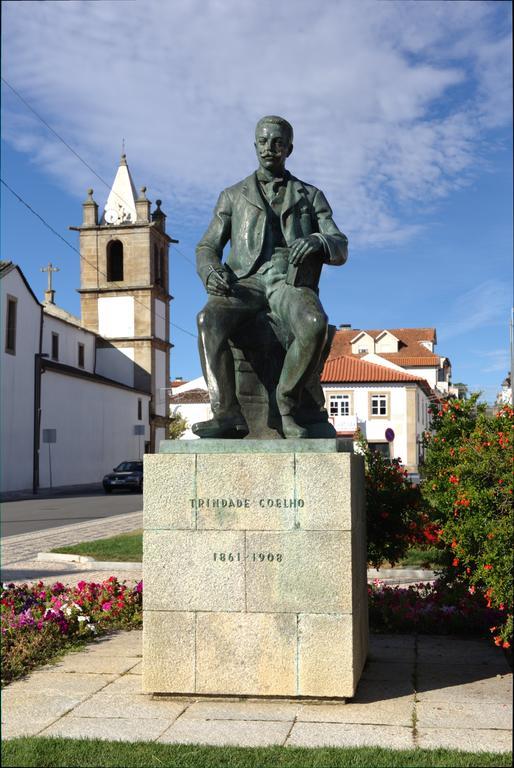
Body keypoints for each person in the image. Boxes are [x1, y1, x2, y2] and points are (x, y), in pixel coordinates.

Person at [193, 115, 348, 439]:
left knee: (314, 324)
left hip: (288, 281)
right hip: (244, 283)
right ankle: (226, 413)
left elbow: (340, 245)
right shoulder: (232, 195)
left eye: (277, 142)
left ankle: (288, 403)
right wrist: (210, 271)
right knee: (208, 319)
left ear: (289, 148)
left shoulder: (310, 195)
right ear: (254, 145)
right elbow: (208, 245)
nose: (269, 148)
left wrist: (318, 241)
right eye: (263, 141)